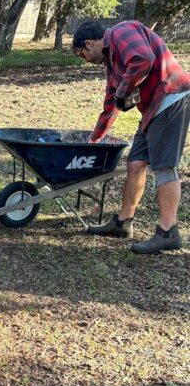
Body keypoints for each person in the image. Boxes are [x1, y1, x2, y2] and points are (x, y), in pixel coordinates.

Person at [73, 20, 190, 254]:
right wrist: (94, 140)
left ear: (89, 43)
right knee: (135, 163)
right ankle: (123, 222)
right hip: (152, 109)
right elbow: (111, 102)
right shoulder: (112, 60)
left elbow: (143, 59)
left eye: (82, 54)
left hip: (170, 97)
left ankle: (169, 232)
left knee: (165, 167)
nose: (85, 60)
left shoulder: (120, 32)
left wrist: (123, 91)